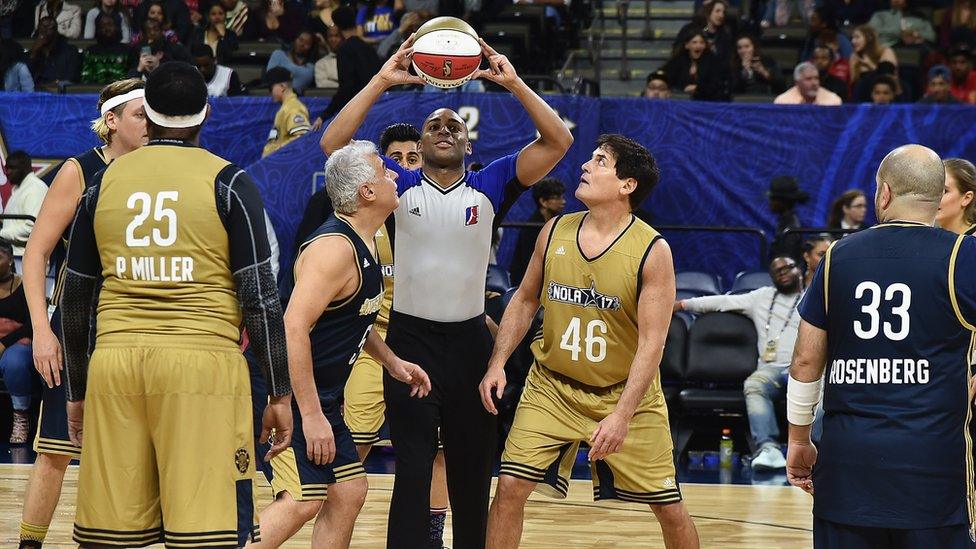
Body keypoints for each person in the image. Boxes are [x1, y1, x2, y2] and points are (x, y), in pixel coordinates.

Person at [320, 35, 573, 549]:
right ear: (421, 142)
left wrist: (512, 81)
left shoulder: (493, 183)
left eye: (452, 125)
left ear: (467, 145)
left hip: (469, 346)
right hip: (410, 342)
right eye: (432, 124)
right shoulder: (398, 186)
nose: (442, 129)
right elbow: (333, 145)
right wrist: (384, 79)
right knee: (412, 474)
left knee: (472, 475)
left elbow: (559, 142)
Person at [59, 62, 292, 547]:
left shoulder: (102, 182)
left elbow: (76, 294)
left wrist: (77, 392)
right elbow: (261, 298)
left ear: (147, 113)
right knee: (206, 536)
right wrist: (279, 393)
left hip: (116, 365)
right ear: (207, 112)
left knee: (111, 537)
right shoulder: (228, 181)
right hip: (200, 369)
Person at [481, 134, 699, 548]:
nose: (585, 165)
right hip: (552, 387)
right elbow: (526, 299)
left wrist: (621, 415)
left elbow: (653, 344)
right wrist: (497, 363)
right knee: (509, 487)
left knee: (669, 508)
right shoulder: (555, 229)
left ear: (627, 185)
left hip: (624, 395)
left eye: (600, 161)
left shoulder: (653, 250)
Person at [786, 144, 976, 548]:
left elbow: (805, 361)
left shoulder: (837, 256)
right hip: (933, 468)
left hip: (847, 465)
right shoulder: (964, 256)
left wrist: (799, 440)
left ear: (884, 193)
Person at [254, 140, 430, 548]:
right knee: (301, 500)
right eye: (385, 172)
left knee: (348, 491)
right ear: (367, 192)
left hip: (322, 397)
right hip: (291, 396)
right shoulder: (334, 248)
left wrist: (392, 363)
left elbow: (355, 318)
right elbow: (292, 328)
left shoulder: (365, 238)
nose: (394, 176)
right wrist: (311, 416)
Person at [18, 77, 146, 549]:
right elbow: (36, 255)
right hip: (77, 326)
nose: (149, 121)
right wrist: (41, 329)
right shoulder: (79, 170)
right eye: (138, 113)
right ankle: (29, 544)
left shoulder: (159, 169)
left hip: (134, 327)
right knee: (56, 449)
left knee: (126, 452)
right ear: (110, 122)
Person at [675, 255, 803, 469]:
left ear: (799, 268)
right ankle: (768, 449)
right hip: (771, 370)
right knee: (754, 383)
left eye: (787, 268)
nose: (782, 273)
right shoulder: (761, 297)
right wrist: (681, 304)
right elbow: (721, 302)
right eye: (776, 271)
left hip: (806, 369)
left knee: (825, 391)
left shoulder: (814, 297)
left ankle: (819, 449)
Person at [313, 6, 382, 128]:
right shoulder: (369, 48)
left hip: (358, 112)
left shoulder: (344, 50)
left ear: (338, 27)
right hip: (377, 108)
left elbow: (346, 88)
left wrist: (324, 115)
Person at [0, 241, 33, 444]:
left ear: (11, 260)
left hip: (18, 343)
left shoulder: (24, 285)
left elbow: (31, 324)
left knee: (15, 363)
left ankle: (21, 416)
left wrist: (4, 343)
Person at [509, 177, 566, 285]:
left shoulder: (558, 223)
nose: (563, 201)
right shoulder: (531, 229)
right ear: (543, 201)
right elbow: (529, 265)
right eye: (557, 198)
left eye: (562, 197)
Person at [661, 28, 730, 101]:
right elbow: (665, 77)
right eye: (694, 42)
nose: (698, 46)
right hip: (681, 102)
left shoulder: (713, 63)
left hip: (706, 102)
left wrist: (698, 89)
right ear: (687, 45)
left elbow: (717, 85)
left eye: (702, 43)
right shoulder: (678, 61)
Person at [0, 151, 48, 254]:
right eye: (6, 168)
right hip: (15, 257)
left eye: (12, 168)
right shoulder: (19, 189)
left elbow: (32, 229)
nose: (7, 172)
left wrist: (1, 234)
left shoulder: (35, 189)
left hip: (27, 258)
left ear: (25, 168)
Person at [262, 66, 311, 157]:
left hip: (285, 166)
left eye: (270, 88)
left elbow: (302, 137)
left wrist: (276, 151)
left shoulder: (293, 107)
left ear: (282, 86)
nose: (270, 93)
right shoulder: (286, 107)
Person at [767, 175, 808, 263]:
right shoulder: (783, 222)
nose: (769, 203)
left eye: (772, 199)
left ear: (782, 202)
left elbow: (787, 261)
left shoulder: (790, 229)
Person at [80, 14, 129, 84]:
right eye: (103, 26)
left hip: (121, 90)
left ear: (117, 27)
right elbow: (85, 78)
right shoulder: (90, 51)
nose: (107, 28)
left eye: (110, 25)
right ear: (98, 29)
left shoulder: (127, 51)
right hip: (94, 92)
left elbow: (130, 79)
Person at [867, 0, 935, 47]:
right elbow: (871, 32)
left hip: (915, 50)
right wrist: (900, 33)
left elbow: (931, 36)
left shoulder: (919, 18)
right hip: (886, 48)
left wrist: (914, 33)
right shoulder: (880, 15)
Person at [936, 158, 976, 235]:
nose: (933, 197)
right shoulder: (926, 235)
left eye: (944, 191)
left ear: (966, 198)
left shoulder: (972, 242)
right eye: (933, 189)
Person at [774, 62, 843, 105]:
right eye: (808, 79)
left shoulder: (833, 100)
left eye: (816, 78)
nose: (814, 83)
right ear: (797, 83)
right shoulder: (783, 102)